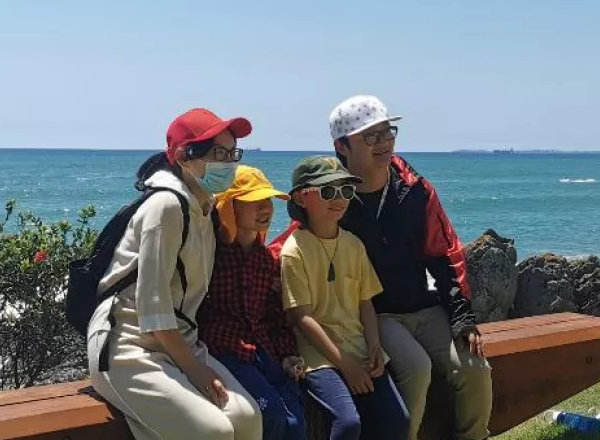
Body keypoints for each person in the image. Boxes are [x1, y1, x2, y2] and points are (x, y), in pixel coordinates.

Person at [316, 95, 492, 440]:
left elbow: (444, 253)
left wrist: (462, 317)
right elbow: (300, 242)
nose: (383, 143)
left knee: (474, 367)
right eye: (370, 136)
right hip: (374, 314)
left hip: (425, 305)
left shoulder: (415, 190)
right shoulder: (334, 195)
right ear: (342, 147)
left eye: (387, 133)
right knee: (416, 367)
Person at [87, 108, 263, 440]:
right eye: (217, 153)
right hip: (126, 347)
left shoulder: (204, 209)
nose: (228, 163)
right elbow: (152, 309)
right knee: (213, 431)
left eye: (232, 153)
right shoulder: (165, 206)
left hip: (179, 342)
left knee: (248, 418)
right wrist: (195, 369)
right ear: (184, 157)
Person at [280, 155, 410, 440]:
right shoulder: (294, 251)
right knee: (348, 423)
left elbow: (365, 302)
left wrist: (374, 345)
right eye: (328, 191)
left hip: (360, 349)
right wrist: (346, 365)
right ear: (302, 198)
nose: (339, 198)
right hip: (319, 358)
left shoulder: (354, 245)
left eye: (346, 190)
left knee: (398, 421)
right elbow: (301, 317)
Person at [197, 165, 307, 440]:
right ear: (230, 206)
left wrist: (286, 354)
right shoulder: (212, 256)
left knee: (296, 418)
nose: (266, 208)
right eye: (254, 202)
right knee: (271, 413)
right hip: (225, 349)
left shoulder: (265, 259)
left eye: (267, 201)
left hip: (261, 350)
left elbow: (274, 316)